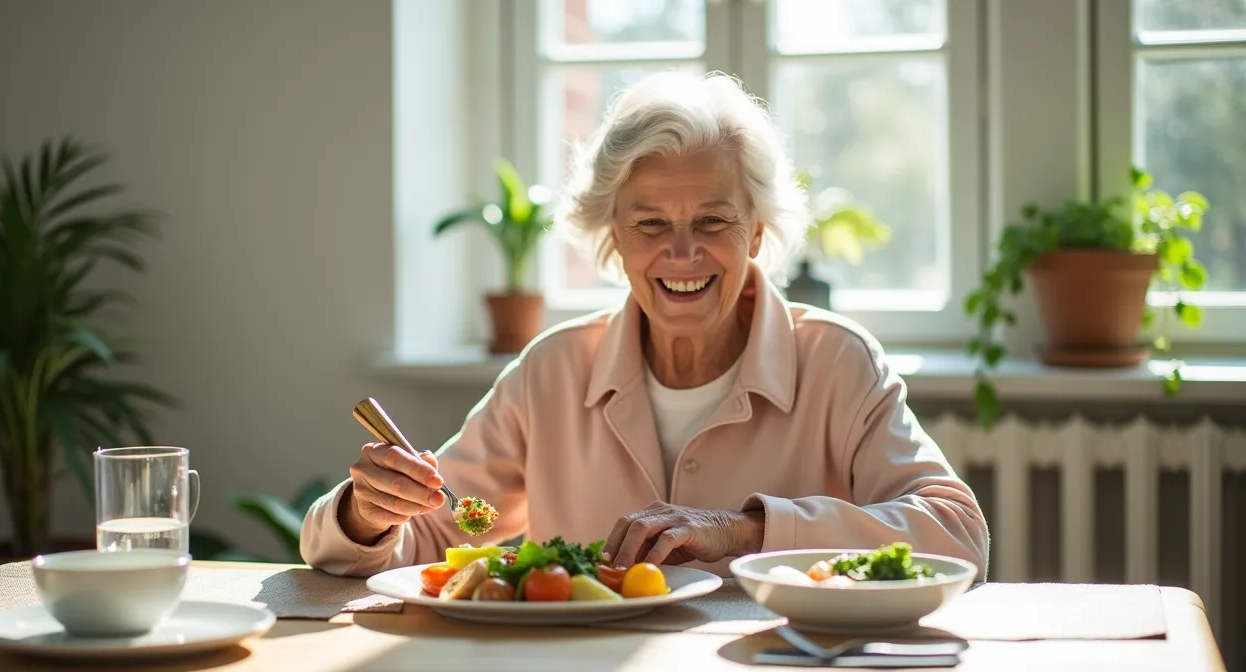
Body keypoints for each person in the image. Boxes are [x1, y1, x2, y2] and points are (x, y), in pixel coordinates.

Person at [301, 71, 989, 579]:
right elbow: (430, 534)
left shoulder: (838, 362)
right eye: (650, 224)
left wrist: (746, 529)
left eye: (712, 222)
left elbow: (958, 537)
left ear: (756, 232)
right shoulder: (553, 370)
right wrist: (367, 514)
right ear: (615, 238)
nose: (681, 254)